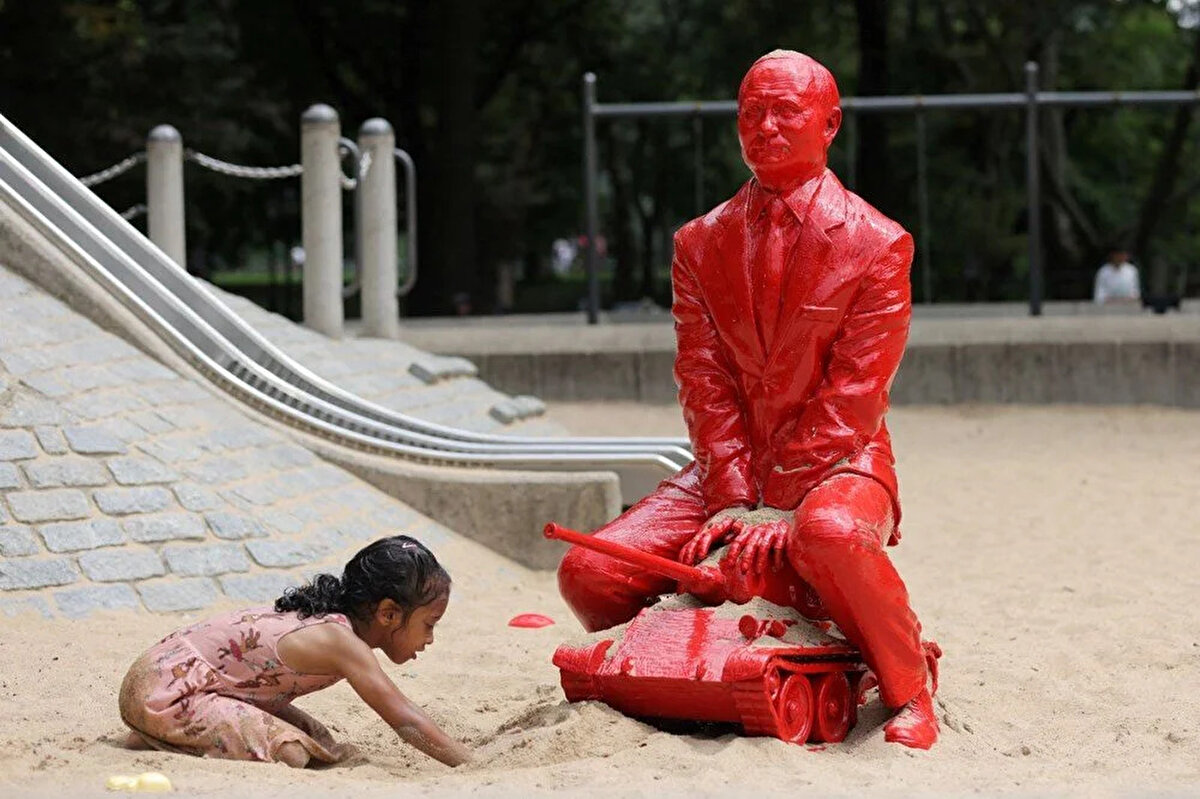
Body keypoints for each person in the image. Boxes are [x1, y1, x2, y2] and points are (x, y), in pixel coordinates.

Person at [556, 50, 939, 749]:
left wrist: (778, 507)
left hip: (838, 465)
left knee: (828, 534)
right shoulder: (699, 243)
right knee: (591, 572)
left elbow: (853, 397)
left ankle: (909, 684)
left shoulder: (879, 245)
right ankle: (694, 642)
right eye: (750, 111)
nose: (764, 126)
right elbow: (702, 380)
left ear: (829, 123)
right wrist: (734, 500)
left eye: (785, 111)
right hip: (724, 473)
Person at [118, 536, 471, 768]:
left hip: (185, 682)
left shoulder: (337, 627)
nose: (430, 639)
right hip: (166, 689)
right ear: (389, 613)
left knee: (322, 746)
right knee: (292, 752)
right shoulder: (341, 642)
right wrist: (471, 765)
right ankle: (160, 736)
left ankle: (164, 734)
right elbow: (405, 718)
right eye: (429, 624)